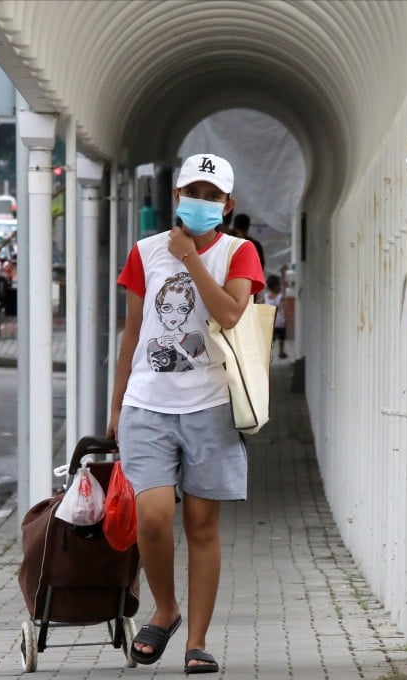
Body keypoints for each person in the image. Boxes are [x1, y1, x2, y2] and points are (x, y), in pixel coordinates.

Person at [107, 153, 265, 674]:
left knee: (201, 525)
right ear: (176, 197)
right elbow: (132, 333)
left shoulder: (240, 253)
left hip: (211, 407)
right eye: (193, 192)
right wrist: (116, 403)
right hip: (147, 406)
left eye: (212, 195)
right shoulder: (144, 253)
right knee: (152, 517)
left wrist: (191, 257)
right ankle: (165, 608)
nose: (201, 202)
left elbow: (229, 312)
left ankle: (196, 642)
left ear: (228, 204)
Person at [263, 273, 288, 359]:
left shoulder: (266, 297)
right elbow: (283, 308)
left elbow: (262, 305)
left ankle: (269, 353)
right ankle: (281, 351)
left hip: (270, 323)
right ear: (275, 287)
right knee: (282, 338)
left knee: (270, 339)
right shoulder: (279, 297)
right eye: (279, 286)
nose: (280, 287)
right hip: (280, 322)